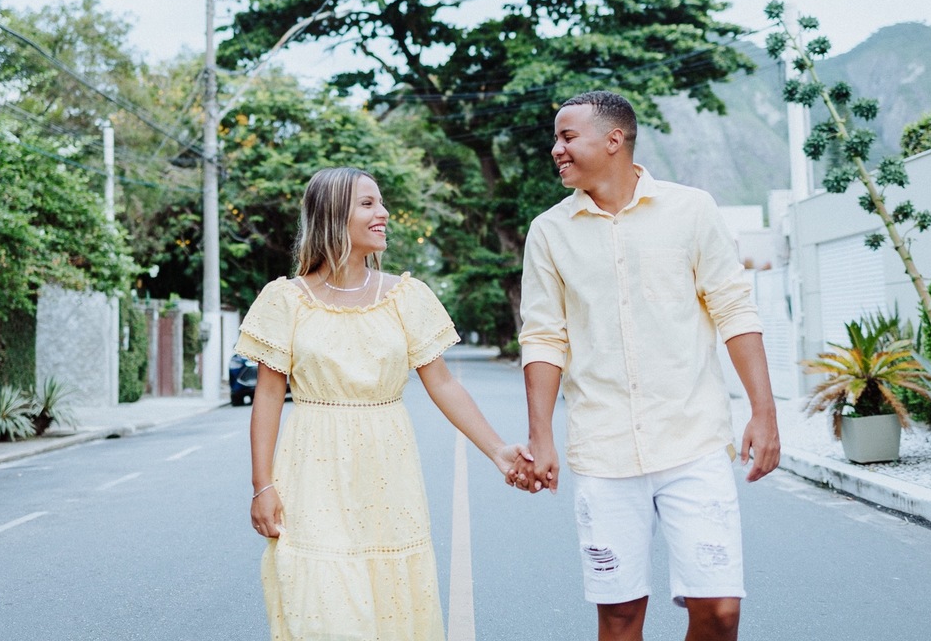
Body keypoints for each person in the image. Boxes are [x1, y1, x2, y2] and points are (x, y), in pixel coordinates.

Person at [515, 91, 781, 641]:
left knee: (720, 610)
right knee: (619, 617)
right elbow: (543, 337)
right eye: (556, 138)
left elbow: (734, 309)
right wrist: (541, 436)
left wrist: (764, 411)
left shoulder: (692, 210)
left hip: (693, 441)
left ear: (614, 139)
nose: (555, 149)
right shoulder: (549, 231)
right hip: (603, 449)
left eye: (567, 137)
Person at [236, 166, 529, 641]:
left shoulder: (405, 297)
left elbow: (443, 384)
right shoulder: (285, 299)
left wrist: (498, 452)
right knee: (324, 602)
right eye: (368, 204)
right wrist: (261, 485)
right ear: (333, 216)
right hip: (312, 467)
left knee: (389, 599)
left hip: (388, 468)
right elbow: (268, 395)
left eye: (381, 202)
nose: (384, 213)